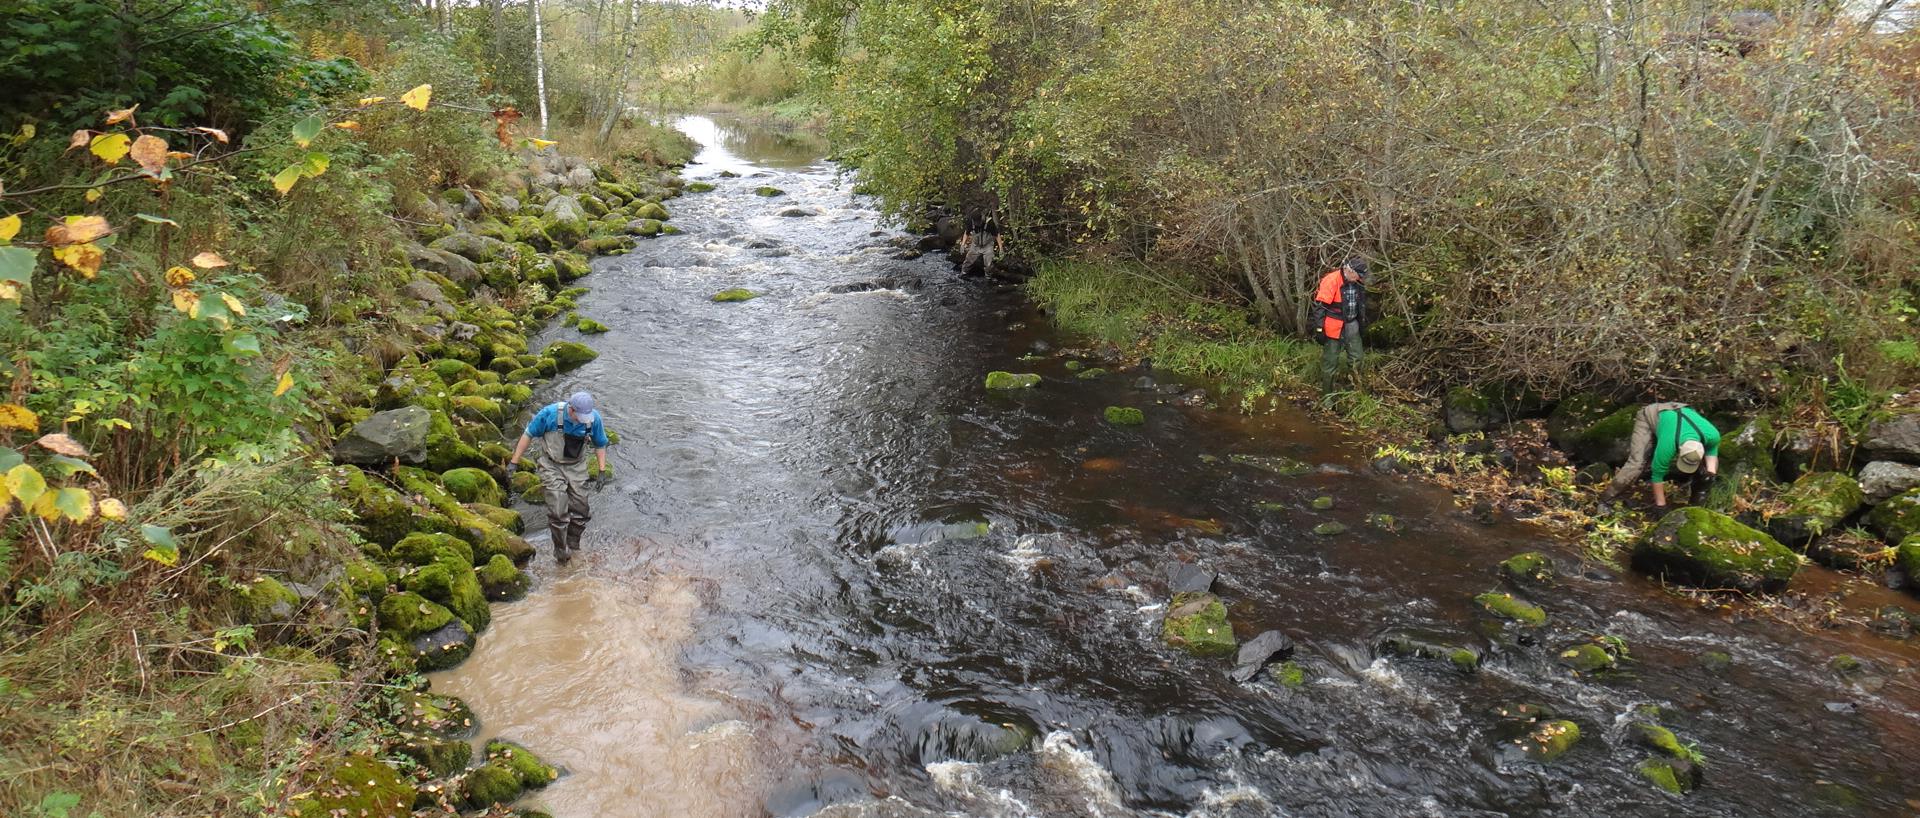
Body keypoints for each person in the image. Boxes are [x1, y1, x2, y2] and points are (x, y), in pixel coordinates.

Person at [507, 391, 611, 564]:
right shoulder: (550, 414)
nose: (583, 420)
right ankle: (561, 552)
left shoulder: (594, 420)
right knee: (558, 509)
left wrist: (601, 471)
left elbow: (600, 444)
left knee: (581, 510)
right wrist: (514, 462)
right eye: (579, 416)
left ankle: (573, 544)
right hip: (551, 464)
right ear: (571, 410)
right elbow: (528, 434)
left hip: (577, 466)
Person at [1600, 402, 1720, 509]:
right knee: (1637, 464)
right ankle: (1606, 499)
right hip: (1651, 415)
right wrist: (1661, 506)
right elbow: (1657, 475)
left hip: (1680, 411)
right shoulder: (1668, 445)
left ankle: (1696, 505)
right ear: (1679, 449)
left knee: (1706, 474)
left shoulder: (1712, 435)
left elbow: (1711, 455)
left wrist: (1709, 477)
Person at [1311, 256, 1369, 390]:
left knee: (1357, 358)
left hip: (1352, 324)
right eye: (1358, 275)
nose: (1360, 278)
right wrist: (1319, 329)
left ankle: (1352, 391)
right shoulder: (1331, 280)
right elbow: (1319, 307)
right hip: (1334, 327)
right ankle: (1327, 398)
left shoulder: (1358, 282)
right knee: (1330, 363)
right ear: (1349, 270)